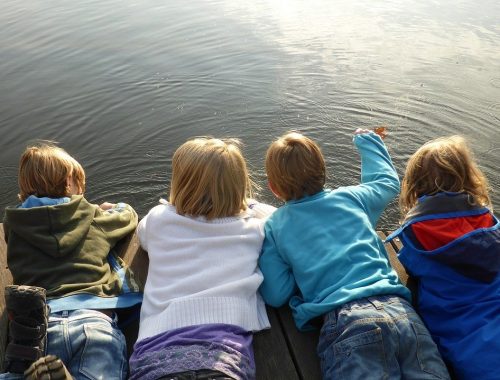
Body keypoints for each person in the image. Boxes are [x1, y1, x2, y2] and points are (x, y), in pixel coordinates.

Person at [258, 130, 450, 380]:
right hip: (403, 313)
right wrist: (368, 141)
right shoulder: (352, 197)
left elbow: (275, 294)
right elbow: (386, 183)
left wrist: (304, 269)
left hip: (348, 321)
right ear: (323, 172)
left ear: (273, 188)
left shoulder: (275, 225)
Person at [129, 137, 274, 380]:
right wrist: (251, 204)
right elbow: (280, 217)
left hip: (157, 345)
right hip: (224, 347)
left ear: (180, 183)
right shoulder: (253, 228)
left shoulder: (158, 219)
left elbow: (142, 237)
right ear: (239, 185)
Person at [1, 143, 141, 379]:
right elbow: (127, 217)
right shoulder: (92, 216)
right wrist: (111, 207)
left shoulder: (15, 224)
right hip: (94, 322)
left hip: (41, 326)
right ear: (69, 182)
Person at [385, 136, 500, 380]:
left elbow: (413, 266)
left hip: (464, 331)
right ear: (469, 177)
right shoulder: (491, 223)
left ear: (414, 185)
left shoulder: (416, 232)